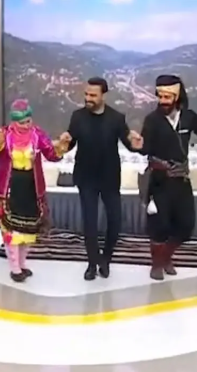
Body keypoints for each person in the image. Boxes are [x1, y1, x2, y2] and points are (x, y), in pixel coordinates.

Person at [137, 74, 197, 281]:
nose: (163, 101)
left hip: (182, 181)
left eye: (167, 97)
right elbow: (144, 148)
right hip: (159, 181)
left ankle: (166, 257)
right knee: (159, 225)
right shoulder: (152, 120)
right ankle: (157, 264)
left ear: (177, 96)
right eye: (160, 97)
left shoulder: (189, 117)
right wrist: (136, 144)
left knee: (185, 225)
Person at [59, 77, 143, 281]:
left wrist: (136, 144)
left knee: (115, 221)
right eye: (86, 94)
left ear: (103, 95)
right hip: (85, 177)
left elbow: (128, 143)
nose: (88, 98)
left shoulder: (116, 118)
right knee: (89, 222)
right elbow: (70, 143)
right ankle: (91, 263)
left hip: (109, 177)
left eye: (93, 95)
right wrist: (64, 142)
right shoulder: (77, 116)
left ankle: (106, 259)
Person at [0, 99, 67, 282]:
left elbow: (51, 155)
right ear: (14, 121)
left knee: (29, 229)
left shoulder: (37, 134)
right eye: (22, 122)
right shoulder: (4, 134)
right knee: (11, 230)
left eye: (28, 121)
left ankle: (22, 264)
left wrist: (61, 146)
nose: (27, 125)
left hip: (31, 186)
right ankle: (14, 268)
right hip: (9, 187)